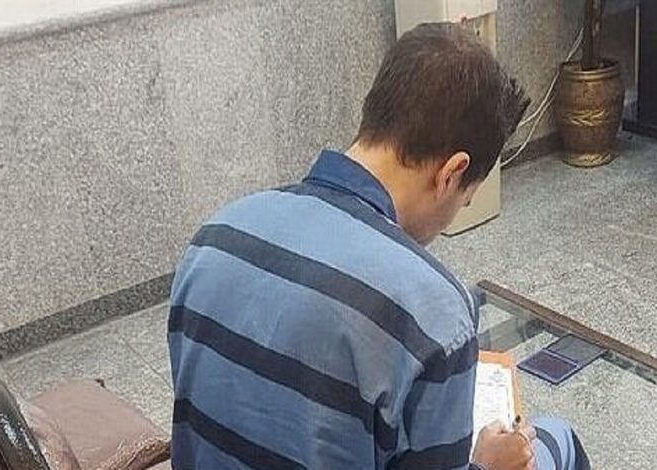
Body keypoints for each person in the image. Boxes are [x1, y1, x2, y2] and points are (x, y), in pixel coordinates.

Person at [167, 22, 590, 470]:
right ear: (451, 173)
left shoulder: (212, 241)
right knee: (555, 439)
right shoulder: (433, 313)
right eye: (463, 201)